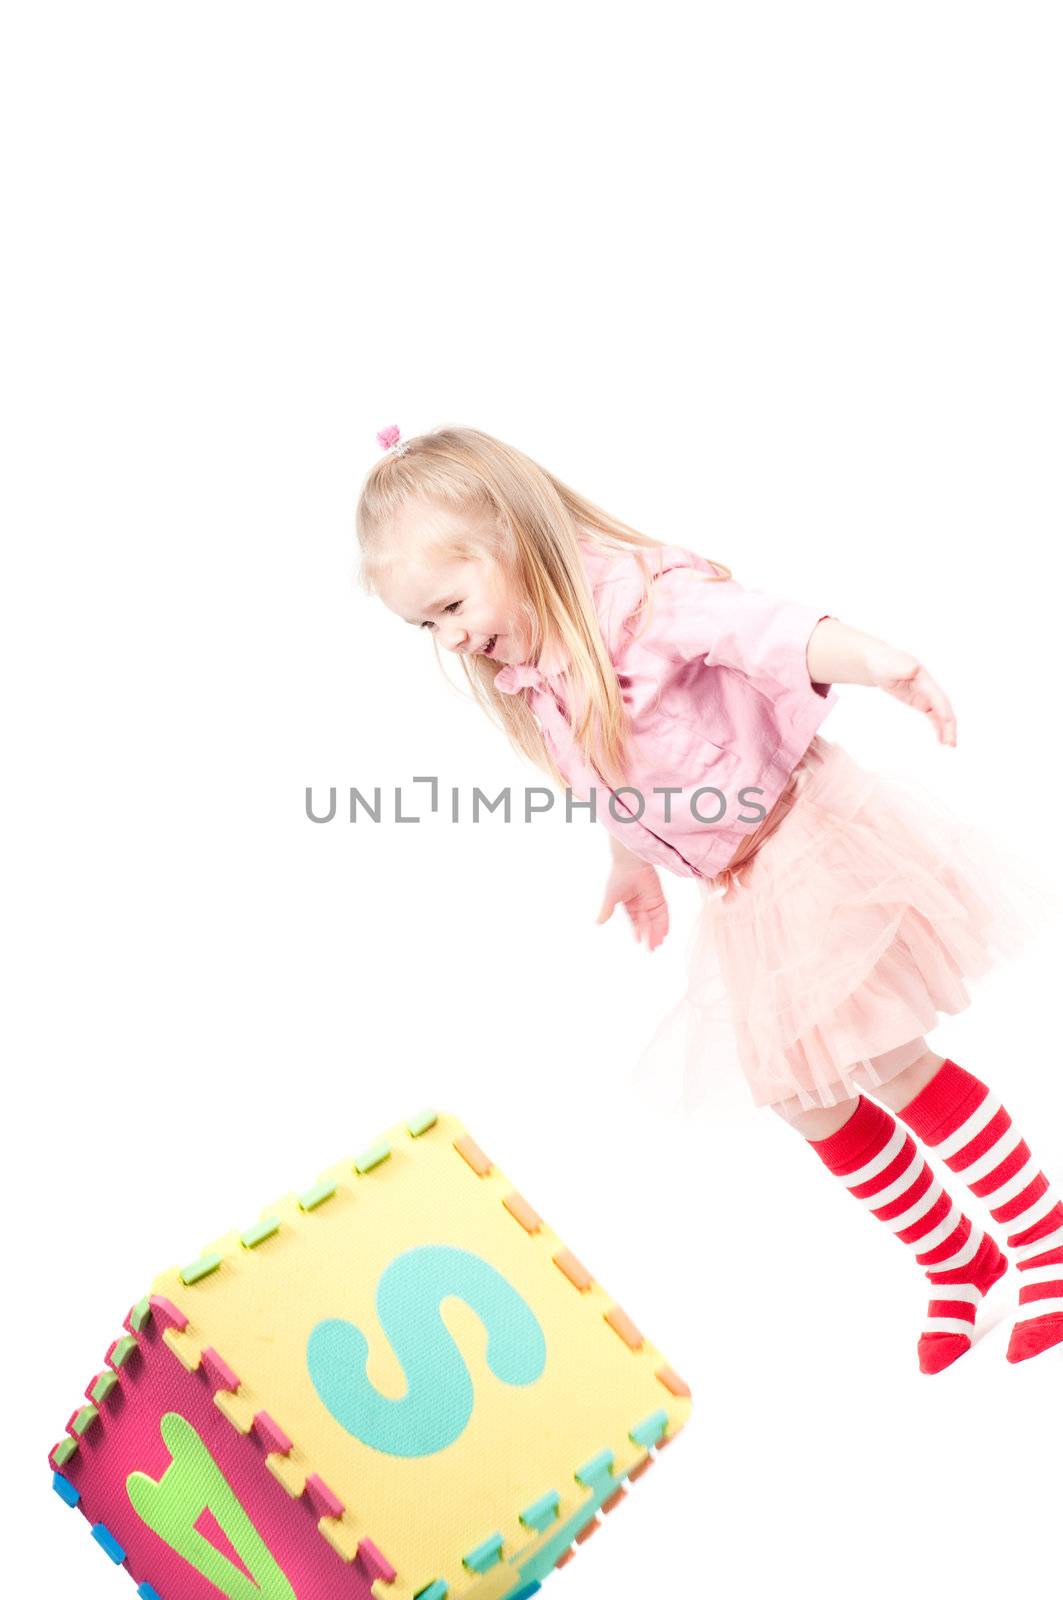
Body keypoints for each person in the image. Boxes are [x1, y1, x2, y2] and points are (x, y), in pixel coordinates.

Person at [355, 422, 1062, 1374]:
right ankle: (956, 1259)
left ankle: (1043, 1242)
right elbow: (611, 770)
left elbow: (767, 630)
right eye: (426, 625)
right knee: (803, 1098)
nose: (450, 637)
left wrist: (878, 660)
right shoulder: (535, 669)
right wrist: (630, 860)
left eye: (449, 604)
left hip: (805, 839)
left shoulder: (645, 603)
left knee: (885, 1057)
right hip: (738, 886)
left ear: (512, 544)